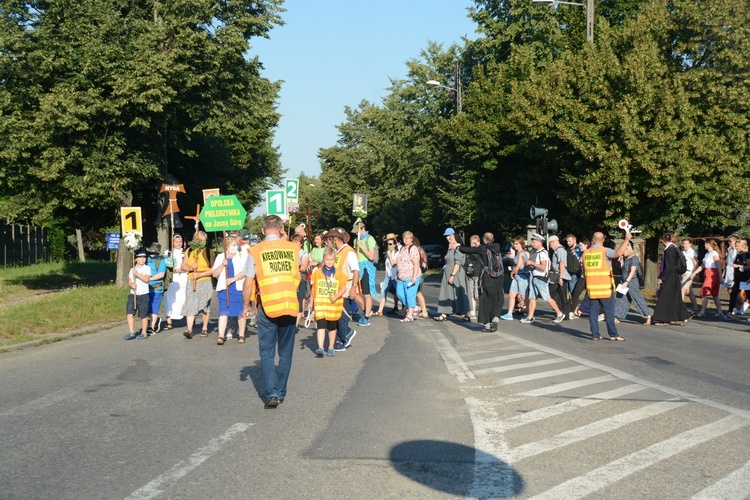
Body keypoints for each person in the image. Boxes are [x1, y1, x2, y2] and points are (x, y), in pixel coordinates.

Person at [242, 215, 301, 408]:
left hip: (267, 306)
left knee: (267, 352)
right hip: (289, 305)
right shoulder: (293, 248)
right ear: (281, 229)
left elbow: (249, 282)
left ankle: (272, 393)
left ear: (262, 230)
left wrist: (246, 307)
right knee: (285, 353)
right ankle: (281, 391)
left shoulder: (256, 251)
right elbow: (301, 270)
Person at [581, 230, 632, 339]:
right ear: (603, 240)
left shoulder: (586, 253)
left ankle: (595, 335)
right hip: (605, 289)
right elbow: (618, 253)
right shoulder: (605, 251)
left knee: (593, 312)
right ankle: (613, 335)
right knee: (609, 312)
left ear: (592, 241)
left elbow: (584, 272)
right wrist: (626, 239)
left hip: (592, 289)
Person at [454, 231, 505, 331]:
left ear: (484, 239)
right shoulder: (497, 247)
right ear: (493, 239)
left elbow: (469, 250)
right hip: (499, 277)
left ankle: (487, 324)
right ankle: (495, 319)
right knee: (498, 298)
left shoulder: (482, 248)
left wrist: (458, 247)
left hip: (487, 277)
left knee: (485, 299)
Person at [309, 247, 346, 357]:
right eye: (327, 260)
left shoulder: (339, 274)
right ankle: (320, 347)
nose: (329, 262)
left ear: (334, 260)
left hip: (333, 306)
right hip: (320, 305)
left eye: (331, 260)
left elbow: (343, 288)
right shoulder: (317, 273)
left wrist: (336, 296)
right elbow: (314, 288)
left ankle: (330, 347)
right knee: (320, 325)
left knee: (332, 327)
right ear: (323, 260)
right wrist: (311, 303)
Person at [211, 234, 248, 345]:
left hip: (238, 288)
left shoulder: (241, 256)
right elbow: (214, 274)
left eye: (236, 245)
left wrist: (233, 279)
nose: (235, 247)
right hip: (224, 288)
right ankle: (221, 336)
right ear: (227, 246)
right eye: (233, 245)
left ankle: (241, 334)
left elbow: (245, 271)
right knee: (223, 312)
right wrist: (222, 265)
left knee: (240, 312)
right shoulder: (220, 257)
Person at [327, 227, 360, 351]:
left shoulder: (349, 252)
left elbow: (356, 271)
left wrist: (354, 287)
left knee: (342, 315)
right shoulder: (338, 252)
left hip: (345, 288)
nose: (330, 241)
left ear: (336, 239)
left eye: (332, 239)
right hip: (338, 288)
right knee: (337, 314)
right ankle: (342, 335)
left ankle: (345, 336)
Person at [522, 233, 565, 325]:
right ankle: (530, 316)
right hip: (534, 277)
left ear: (539, 242)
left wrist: (531, 263)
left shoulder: (543, 253)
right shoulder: (535, 252)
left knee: (547, 297)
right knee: (532, 297)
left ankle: (560, 313)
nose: (532, 244)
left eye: (534, 242)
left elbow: (543, 266)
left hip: (540, 278)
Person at [180, 231, 215, 339]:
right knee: (191, 303)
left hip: (205, 280)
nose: (203, 243)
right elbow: (183, 266)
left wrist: (200, 274)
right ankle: (189, 329)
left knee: (205, 305)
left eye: (204, 241)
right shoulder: (190, 251)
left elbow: (213, 269)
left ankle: (204, 328)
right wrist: (191, 268)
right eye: (201, 241)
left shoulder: (210, 252)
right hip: (191, 280)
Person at [651, 233, 691, 325]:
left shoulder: (669, 250)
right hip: (674, 276)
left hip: (669, 277)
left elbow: (669, 267)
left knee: (664, 297)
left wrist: (662, 278)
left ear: (662, 240)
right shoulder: (673, 248)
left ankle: (662, 318)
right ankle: (683, 316)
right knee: (674, 298)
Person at [434, 228, 471, 322]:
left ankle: (465, 314)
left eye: (450, 238)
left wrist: (452, 275)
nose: (448, 239)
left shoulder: (458, 248)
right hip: (448, 273)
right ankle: (444, 312)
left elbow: (458, 263)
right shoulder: (450, 248)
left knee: (459, 293)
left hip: (457, 274)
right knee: (447, 293)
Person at [614, 243, 653, 325]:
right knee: (621, 299)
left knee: (637, 298)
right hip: (623, 281)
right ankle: (617, 316)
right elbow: (624, 270)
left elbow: (633, 271)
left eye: (623, 251)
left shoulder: (634, 258)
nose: (622, 253)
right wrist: (621, 262)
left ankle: (648, 316)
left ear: (628, 249)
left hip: (631, 282)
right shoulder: (626, 258)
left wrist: (627, 282)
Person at [352, 220, 378, 326]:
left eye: (357, 232)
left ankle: (366, 317)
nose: (356, 234)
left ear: (363, 229)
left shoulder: (369, 239)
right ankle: (365, 310)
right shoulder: (355, 240)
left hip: (367, 267)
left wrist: (361, 246)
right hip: (358, 267)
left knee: (367, 293)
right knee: (354, 293)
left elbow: (371, 256)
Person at [690, 238, 723, 318]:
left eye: (705, 243)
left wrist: (720, 277)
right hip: (707, 272)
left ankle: (702, 311)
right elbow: (702, 266)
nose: (704, 245)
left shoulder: (714, 253)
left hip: (713, 274)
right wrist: (694, 273)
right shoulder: (707, 254)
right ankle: (719, 311)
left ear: (708, 244)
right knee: (714, 294)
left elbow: (718, 265)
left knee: (705, 292)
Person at [394, 231, 422, 322]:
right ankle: (414, 307)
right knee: (399, 293)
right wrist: (397, 274)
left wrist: (414, 277)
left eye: (408, 238)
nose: (406, 239)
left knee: (410, 295)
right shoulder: (402, 248)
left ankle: (410, 315)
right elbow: (400, 262)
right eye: (404, 238)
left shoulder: (413, 248)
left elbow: (416, 263)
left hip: (411, 275)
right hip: (401, 276)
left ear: (411, 239)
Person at [125, 248, 152, 340]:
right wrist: (132, 284)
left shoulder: (147, 268)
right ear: (136, 259)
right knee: (129, 312)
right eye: (140, 257)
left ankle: (144, 332)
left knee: (143, 314)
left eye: (144, 257)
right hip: (133, 294)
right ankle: (131, 331)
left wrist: (137, 274)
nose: (142, 259)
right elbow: (129, 281)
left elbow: (146, 279)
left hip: (143, 294)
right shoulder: (132, 269)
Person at [502, 236, 531, 321]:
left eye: (516, 244)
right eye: (514, 244)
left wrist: (512, 272)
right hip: (517, 276)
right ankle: (509, 313)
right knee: (512, 294)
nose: (515, 245)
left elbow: (518, 266)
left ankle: (530, 314)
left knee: (524, 296)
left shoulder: (522, 253)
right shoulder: (518, 253)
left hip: (522, 276)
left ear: (521, 244)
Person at [373, 233, 401, 316]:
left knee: (399, 293)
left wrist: (389, 255)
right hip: (388, 276)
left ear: (395, 244)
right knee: (383, 291)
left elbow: (394, 264)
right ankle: (380, 310)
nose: (389, 246)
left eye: (391, 244)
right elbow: (388, 267)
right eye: (387, 244)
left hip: (396, 276)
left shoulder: (398, 253)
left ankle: (405, 309)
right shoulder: (389, 254)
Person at [163, 234, 187, 330]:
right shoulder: (168, 253)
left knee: (184, 299)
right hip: (171, 281)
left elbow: (188, 266)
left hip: (183, 279)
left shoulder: (185, 252)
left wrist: (179, 270)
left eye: (180, 242)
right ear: (172, 242)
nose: (178, 244)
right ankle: (169, 322)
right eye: (176, 242)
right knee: (169, 300)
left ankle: (189, 319)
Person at [145, 242, 168, 335]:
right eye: (151, 253)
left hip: (157, 287)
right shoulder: (145, 260)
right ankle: (155, 319)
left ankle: (151, 326)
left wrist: (149, 278)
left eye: (155, 253)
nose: (152, 255)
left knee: (154, 307)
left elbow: (161, 274)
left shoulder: (161, 261)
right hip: (145, 287)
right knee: (145, 308)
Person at [290, 233, 311, 330]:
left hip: (300, 279)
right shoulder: (289, 251)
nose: (294, 243)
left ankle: (295, 325)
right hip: (290, 280)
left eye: (297, 241)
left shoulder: (303, 254)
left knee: (298, 301)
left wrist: (293, 266)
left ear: (301, 243)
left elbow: (303, 267)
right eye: (293, 241)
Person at [548, 235, 571, 321]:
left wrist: (561, 277)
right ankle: (561, 311)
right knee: (554, 292)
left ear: (553, 242)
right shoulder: (558, 250)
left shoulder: (560, 250)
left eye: (550, 244)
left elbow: (562, 263)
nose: (550, 246)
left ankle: (564, 313)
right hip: (557, 274)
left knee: (562, 294)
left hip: (560, 274)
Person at [728, 239, 750, 316]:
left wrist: (739, 266)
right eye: (736, 246)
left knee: (749, 297)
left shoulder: (746, 255)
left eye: (738, 246)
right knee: (733, 295)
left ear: (743, 246)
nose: (737, 248)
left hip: (746, 279)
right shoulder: (738, 254)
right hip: (738, 279)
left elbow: (748, 266)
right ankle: (729, 313)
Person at [571, 239, 590, 318]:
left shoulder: (587, 253)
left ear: (586, 245)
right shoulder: (583, 253)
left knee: (581, 294)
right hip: (583, 276)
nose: (580, 247)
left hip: (586, 276)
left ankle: (577, 310)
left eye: (581, 245)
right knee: (576, 293)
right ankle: (575, 310)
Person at [411, 235, 430, 318]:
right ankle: (423, 311)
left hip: (418, 273)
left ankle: (424, 311)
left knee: (417, 292)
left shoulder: (415, 250)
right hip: (422, 272)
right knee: (417, 292)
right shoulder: (421, 249)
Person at [465, 235, 483, 319]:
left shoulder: (480, 251)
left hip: (477, 274)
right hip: (470, 274)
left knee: (476, 294)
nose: (472, 244)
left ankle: (475, 311)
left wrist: (477, 246)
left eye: (474, 242)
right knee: (471, 293)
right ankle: (472, 310)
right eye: (471, 242)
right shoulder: (469, 251)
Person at [680, 238, 699, 312]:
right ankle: (696, 308)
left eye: (686, 244)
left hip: (689, 273)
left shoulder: (692, 252)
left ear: (690, 244)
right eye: (684, 244)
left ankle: (680, 307)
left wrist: (696, 273)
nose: (685, 245)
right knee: (690, 292)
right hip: (684, 273)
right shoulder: (683, 252)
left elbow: (695, 263)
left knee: (683, 289)